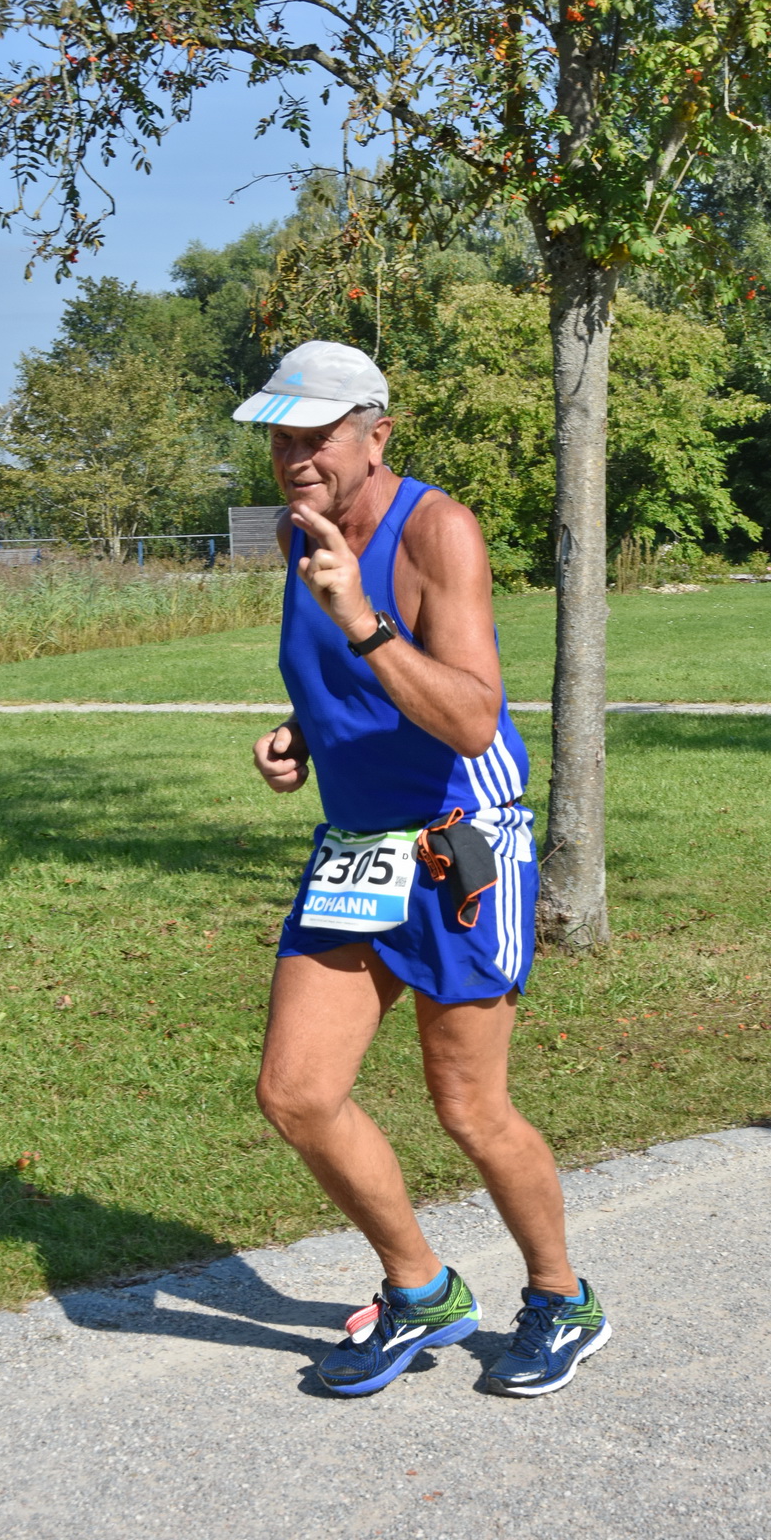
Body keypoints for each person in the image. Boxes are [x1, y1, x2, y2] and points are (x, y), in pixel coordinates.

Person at [237, 340, 609, 1397]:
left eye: (316, 436)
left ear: (376, 434)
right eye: (281, 439)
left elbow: (470, 711)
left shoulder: (438, 529)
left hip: (462, 843)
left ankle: (561, 1297)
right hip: (357, 849)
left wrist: (362, 616)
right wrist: (303, 736)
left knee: (470, 1107)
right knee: (297, 1092)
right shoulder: (297, 533)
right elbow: (355, 688)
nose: (296, 457)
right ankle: (421, 1286)